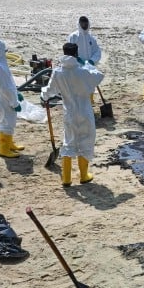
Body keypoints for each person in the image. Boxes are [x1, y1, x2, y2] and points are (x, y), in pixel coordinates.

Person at [41, 42, 104, 186]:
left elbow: (49, 91)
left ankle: (67, 178)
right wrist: (87, 64)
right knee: (86, 141)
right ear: (77, 54)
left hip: (69, 112)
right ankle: (83, 176)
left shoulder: (58, 72)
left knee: (68, 142)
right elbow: (99, 76)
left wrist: (43, 96)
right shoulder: (83, 71)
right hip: (85, 112)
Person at [0, 39, 25, 159]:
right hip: (4, 99)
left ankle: (9, 143)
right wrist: (14, 102)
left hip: (4, 97)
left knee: (9, 122)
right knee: (6, 123)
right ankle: (4, 149)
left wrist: (16, 92)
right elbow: (4, 88)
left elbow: (9, 82)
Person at [67, 16, 102, 107]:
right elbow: (69, 50)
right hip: (77, 66)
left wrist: (92, 61)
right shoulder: (73, 36)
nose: (84, 25)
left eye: (86, 23)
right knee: (78, 85)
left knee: (90, 83)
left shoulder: (91, 38)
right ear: (79, 24)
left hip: (89, 66)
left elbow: (97, 51)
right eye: (82, 23)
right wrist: (77, 60)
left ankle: (90, 101)